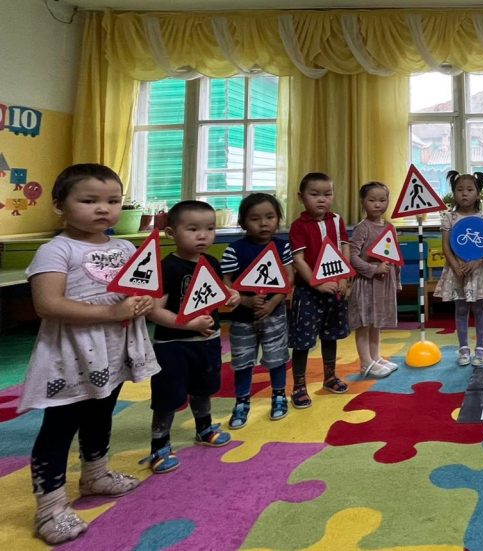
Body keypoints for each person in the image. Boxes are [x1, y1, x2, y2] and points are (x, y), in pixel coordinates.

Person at [21, 164, 160, 544]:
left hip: (115, 351)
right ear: (59, 205)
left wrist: (143, 303)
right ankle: (50, 508)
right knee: (60, 427)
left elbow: (139, 289)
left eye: (113, 201)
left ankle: (95, 475)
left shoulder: (125, 248)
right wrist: (111, 313)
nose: (103, 208)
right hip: (71, 355)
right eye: (89, 200)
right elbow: (47, 304)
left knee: (101, 414)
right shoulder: (56, 249)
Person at [142, 201, 240, 475]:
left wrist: (232, 295)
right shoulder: (167, 267)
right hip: (173, 346)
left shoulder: (211, 262)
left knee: (203, 388)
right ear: (171, 233)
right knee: (168, 396)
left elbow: (219, 292)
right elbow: (154, 311)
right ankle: (159, 445)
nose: (203, 236)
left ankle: (204, 428)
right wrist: (188, 324)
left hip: (207, 342)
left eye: (210, 229)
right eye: (193, 229)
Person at [222, 193, 294, 428]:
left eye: (270, 217)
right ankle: (242, 401)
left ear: (278, 219)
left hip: (274, 315)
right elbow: (225, 283)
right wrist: (245, 301)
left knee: (277, 358)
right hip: (242, 318)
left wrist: (273, 303)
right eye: (255, 219)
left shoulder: (282, 247)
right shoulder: (234, 250)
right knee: (243, 361)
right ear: (243, 222)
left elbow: (289, 278)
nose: (263, 223)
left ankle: (279, 396)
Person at [289, 172, 352, 407]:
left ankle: (330, 377)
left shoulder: (337, 220)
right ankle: (299, 386)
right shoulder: (298, 226)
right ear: (301, 197)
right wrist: (317, 283)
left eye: (327, 194)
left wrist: (345, 278)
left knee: (331, 334)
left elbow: (344, 247)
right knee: (303, 341)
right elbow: (298, 260)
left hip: (335, 289)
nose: (322, 199)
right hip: (308, 292)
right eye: (314, 194)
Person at [435, 171, 483, 366]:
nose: (464, 193)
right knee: (461, 309)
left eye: (470, 190)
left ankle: (480, 349)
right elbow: (446, 245)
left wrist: (478, 261)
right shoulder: (449, 217)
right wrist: (456, 266)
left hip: (479, 270)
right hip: (458, 271)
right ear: (454, 193)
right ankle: (463, 349)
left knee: (480, 308)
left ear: (478, 193)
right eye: (460, 190)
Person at [349, 182, 401, 378]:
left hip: (383, 284)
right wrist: (373, 269)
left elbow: (395, 257)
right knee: (364, 322)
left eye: (382, 200)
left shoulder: (390, 227)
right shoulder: (362, 228)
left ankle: (375, 357)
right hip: (366, 283)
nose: (378, 204)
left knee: (376, 322)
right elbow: (352, 256)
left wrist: (397, 280)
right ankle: (365, 362)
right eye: (372, 200)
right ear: (363, 202)